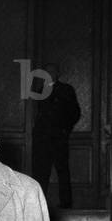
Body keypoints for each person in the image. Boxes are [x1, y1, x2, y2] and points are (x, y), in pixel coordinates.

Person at [31, 63, 81, 208]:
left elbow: (75, 113)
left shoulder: (66, 90)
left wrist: (65, 129)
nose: (50, 74)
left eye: (52, 71)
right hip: (43, 139)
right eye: (47, 71)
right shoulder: (40, 90)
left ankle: (66, 203)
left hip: (59, 138)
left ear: (57, 74)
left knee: (62, 171)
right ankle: (39, 203)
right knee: (41, 172)